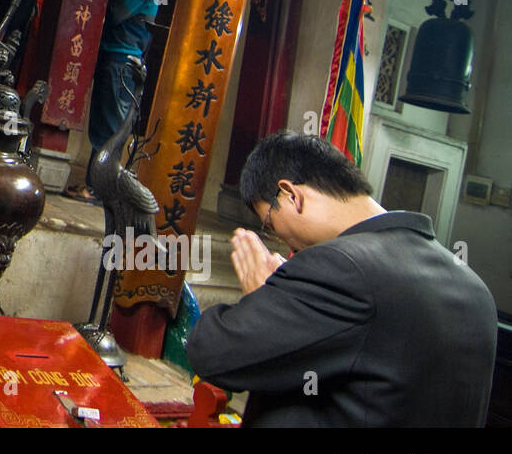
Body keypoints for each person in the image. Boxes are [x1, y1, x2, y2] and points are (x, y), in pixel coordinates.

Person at [187, 131, 497, 427]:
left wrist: (261, 300)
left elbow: (212, 353)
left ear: (291, 195)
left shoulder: (338, 265)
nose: (281, 240)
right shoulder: (473, 286)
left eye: (268, 221)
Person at [65, 0, 167, 199]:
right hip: (122, 60)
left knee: (108, 128)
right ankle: (94, 185)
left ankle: (98, 188)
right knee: (105, 127)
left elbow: (116, 14)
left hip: (120, 61)